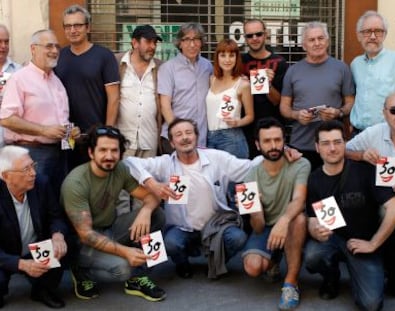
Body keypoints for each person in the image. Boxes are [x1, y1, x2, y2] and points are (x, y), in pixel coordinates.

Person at [124, 118, 259, 279]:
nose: (185, 137)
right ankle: (181, 263)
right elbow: (129, 162)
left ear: (196, 137)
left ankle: (215, 262)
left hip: (215, 226)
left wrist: (281, 149)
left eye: (189, 133)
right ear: (172, 143)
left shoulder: (217, 158)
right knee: (171, 243)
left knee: (238, 238)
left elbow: (251, 167)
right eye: (178, 135)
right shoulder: (166, 163)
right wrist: (152, 184)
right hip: (181, 228)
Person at [304, 120, 395, 311]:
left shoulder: (365, 171)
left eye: (337, 142)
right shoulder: (314, 179)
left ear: (345, 143)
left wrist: (373, 243)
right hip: (333, 239)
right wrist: (315, 231)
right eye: (325, 143)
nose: (332, 148)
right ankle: (331, 276)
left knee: (371, 304)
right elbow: (312, 218)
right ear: (317, 147)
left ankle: (366, 273)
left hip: (362, 243)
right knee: (312, 255)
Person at [60, 125, 166, 302]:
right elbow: (86, 235)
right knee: (122, 268)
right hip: (81, 242)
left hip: (110, 229)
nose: (109, 156)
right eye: (103, 150)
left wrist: (146, 210)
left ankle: (138, 277)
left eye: (114, 150)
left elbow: (151, 196)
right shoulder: (76, 182)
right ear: (91, 152)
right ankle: (81, 270)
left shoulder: (120, 169)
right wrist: (126, 252)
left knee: (157, 215)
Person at [346, 90, 395, 297]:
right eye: (394, 110)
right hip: (377, 218)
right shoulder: (374, 133)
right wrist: (361, 155)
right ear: (384, 113)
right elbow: (343, 152)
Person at [242, 117, 310, 310]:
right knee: (253, 267)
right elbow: (258, 227)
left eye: (277, 140)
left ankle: (291, 283)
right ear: (257, 144)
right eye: (267, 141)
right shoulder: (250, 176)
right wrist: (256, 209)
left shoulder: (300, 164)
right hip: (267, 226)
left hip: (291, 222)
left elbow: (299, 199)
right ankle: (274, 260)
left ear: (284, 141)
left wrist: (284, 221)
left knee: (298, 219)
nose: (273, 146)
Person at [0, 29, 78, 197]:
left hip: (60, 153)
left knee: (56, 205)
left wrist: (71, 134)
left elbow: (60, 121)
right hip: (32, 155)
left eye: (57, 46)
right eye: (49, 46)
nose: (55, 51)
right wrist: (43, 130)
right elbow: (6, 118)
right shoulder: (19, 78)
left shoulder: (56, 81)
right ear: (33, 49)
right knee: (35, 205)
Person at [280, 21, 355, 170]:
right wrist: (296, 115)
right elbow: (283, 108)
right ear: (304, 45)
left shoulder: (341, 68)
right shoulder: (293, 71)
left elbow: (351, 103)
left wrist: (338, 112)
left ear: (327, 41)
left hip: (332, 145)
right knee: (304, 190)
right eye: (311, 40)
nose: (317, 43)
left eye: (321, 38)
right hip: (301, 144)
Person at [0, 146, 68, 309]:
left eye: (33, 166)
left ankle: (41, 290)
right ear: (6, 176)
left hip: (35, 247)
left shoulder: (41, 183)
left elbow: (55, 216)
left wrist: (57, 235)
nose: (33, 173)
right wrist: (21, 264)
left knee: (63, 246)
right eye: (25, 169)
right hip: (5, 254)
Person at [55, 4, 120, 169]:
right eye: (68, 26)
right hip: (67, 133)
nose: (73, 30)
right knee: (69, 178)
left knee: (96, 178)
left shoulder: (104, 56)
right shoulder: (58, 57)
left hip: (95, 133)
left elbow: (114, 98)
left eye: (77, 25)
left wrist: (107, 132)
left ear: (88, 27)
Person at [350, 11, 395, 135]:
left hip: (389, 134)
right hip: (358, 134)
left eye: (378, 31)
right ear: (359, 36)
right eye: (367, 31)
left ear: (384, 35)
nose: (373, 37)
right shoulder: (356, 64)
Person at [157, 22, 212, 152]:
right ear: (179, 43)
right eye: (187, 39)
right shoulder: (168, 68)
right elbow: (165, 106)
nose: (192, 44)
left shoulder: (208, 66)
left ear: (201, 42)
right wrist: (179, 134)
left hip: (201, 139)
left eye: (196, 39)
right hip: (176, 139)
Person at [242, 19, 288, 159]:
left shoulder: (280, 63)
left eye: (258, 34)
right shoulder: (238, 61)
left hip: (271, 130)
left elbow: (278, 101)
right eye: (250, 35)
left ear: (265, 35)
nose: (254, 38)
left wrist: (267, 84)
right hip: (244, 130)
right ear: (245, 38)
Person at [116, 25, 162, 159]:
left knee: (148, 179)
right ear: (135, 43)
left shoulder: (160, 67)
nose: (153, 46)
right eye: (148, 42)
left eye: (155, 42)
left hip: (149, 142)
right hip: (123, 141)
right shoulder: (117, 63)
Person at [206, 38, 253, 159]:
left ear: (237, 58)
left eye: (231, 55)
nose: (227, 60)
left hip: (231, 138)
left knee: (232, 178)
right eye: (223, 55)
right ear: (217, 58)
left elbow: (250, 116)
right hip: (209, 137)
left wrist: (238, 122)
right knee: (213, 177)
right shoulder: (212, 79)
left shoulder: (243, 84)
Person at [0, 24, 21, 147]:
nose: (3, 46)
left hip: (11, 143)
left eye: (6, 42)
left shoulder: (18, 71)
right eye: (0, 42)